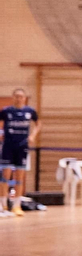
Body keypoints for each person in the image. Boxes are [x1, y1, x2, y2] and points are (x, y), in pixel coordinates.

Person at [0, 87, 39, 215]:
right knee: (5, 176)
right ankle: (3, 205)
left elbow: (38, 124)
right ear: (13, 98)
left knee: (19, 177)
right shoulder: (6, 111)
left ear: (24, 98)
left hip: (22, 147)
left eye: (21, 96)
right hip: (8, 146)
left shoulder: (30, 111)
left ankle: (17, 206)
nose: (19, 99)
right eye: (16, 96)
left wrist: (32, 136)